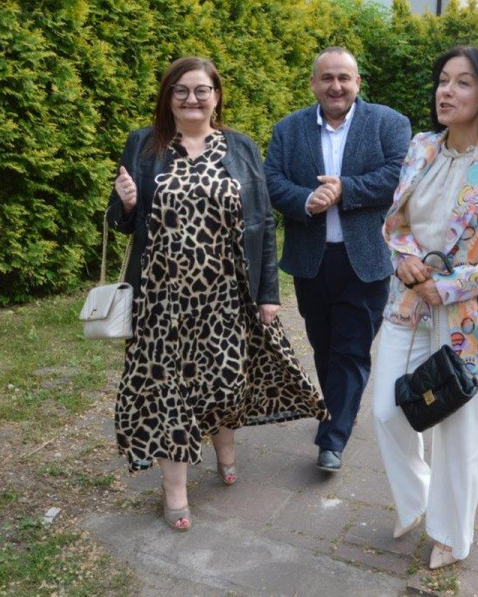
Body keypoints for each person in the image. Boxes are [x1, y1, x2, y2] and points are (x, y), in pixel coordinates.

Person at [107, 57, 326, 532]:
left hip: (226, 293)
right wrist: (125, 203)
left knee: (225, 380)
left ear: (216, 96)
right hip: (160, 299)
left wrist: (267, 293)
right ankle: (175, 490)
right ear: (168, 97)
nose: (192, 99)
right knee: (168, 392)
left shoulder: (241, 148)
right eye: (181, 90)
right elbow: (120, 221)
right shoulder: (143, 145)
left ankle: (225, 446)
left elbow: (262, 223)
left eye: (201, 90)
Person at [371, 46, 478, 570]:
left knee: (462, 433)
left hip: (474, 319)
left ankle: (450, 535)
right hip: (409, 305)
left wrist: (446, 286)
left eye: (463, 83)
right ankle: (418, 498)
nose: (447, 91)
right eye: (444, 80)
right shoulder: (421, 147)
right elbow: (396, 222)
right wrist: (404, 259)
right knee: (387, 410)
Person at [264, 47, 412, 472]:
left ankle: (332, 438)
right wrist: (306, 199)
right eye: (327, 78)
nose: (336, 86)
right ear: (313, 83)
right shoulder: (289, 129)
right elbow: (271, 179)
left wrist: (344, 189)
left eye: (344, 78)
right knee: (324, 345)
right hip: (311, 261)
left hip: (365, 260)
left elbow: (399, 175)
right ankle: (339, 409)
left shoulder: (388, 123)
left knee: (351, 349)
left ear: (357, 82)